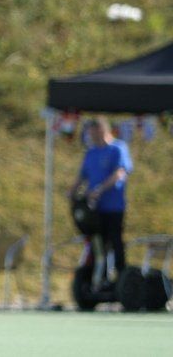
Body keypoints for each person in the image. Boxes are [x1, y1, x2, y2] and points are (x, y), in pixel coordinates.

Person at [69, 117, 133, 273]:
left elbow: (120, 173)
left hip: (113, 207)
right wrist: (72, 191)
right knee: (97, 243)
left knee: (115, 240)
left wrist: (100, 189)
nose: (91, 136)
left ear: (102, 130)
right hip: (94, 209)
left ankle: (121, 274)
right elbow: (82, 175)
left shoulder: (117, 148)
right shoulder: (91, 153)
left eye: (93, 132)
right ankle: (98, 275)